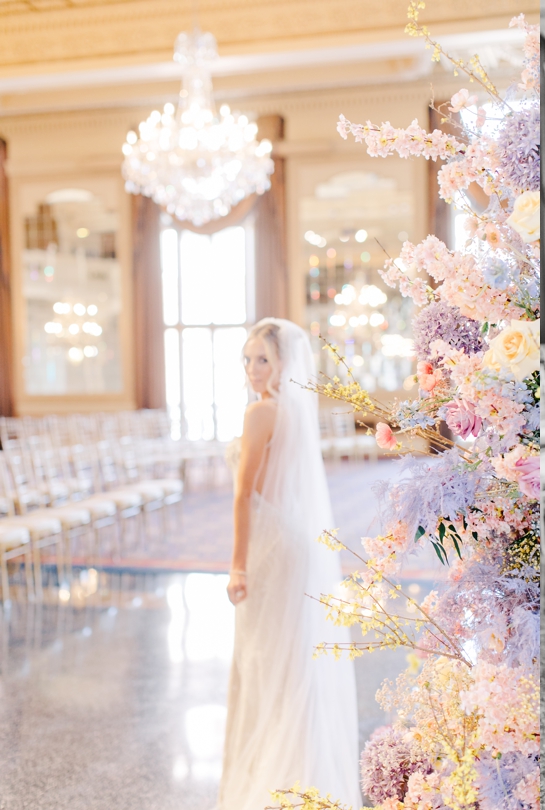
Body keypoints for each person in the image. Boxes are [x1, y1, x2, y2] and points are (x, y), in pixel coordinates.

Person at [219, 318, 359, 809]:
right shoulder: (294, 412)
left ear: (283, 364)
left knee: (264, 659)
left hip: (269, 546)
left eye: (263, 359)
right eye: (247, 358)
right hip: (293, 540)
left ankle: (276, 779)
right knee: (291, 660)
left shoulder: (260, 412)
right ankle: (302, 775)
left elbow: (243, 496)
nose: (253, 368)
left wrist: (238, 566)